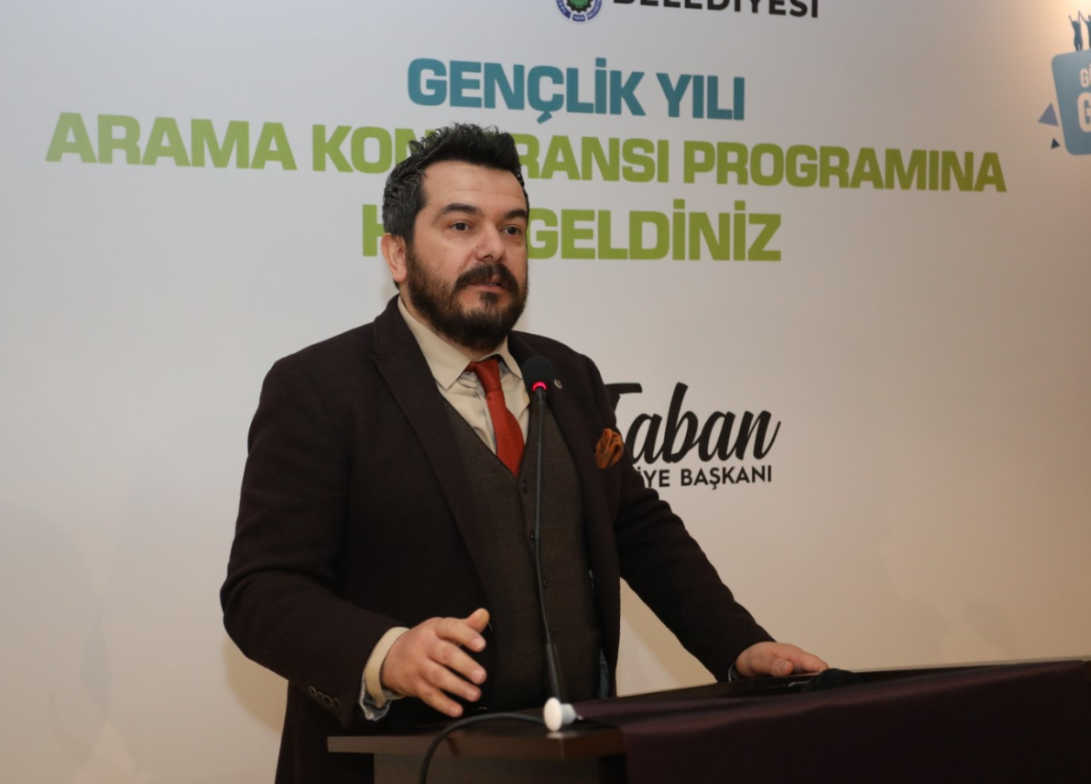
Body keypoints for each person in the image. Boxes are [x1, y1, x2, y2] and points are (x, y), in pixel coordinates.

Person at [221, 124, 827, 784]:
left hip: (573, 758)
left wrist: (739, 646)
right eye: (461, 226)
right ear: (396, 253)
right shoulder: (319, 387)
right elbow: (262, 591)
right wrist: (385, 654)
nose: (494, 249)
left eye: (512, 229)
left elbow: (639, 530)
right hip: (398, 764)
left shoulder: (567, 375)